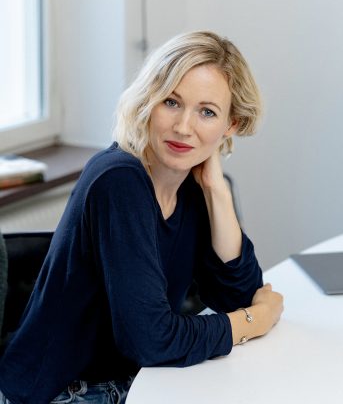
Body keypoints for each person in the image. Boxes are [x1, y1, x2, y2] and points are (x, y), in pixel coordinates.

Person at [0, 30, 283, 404]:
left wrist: (217, 188)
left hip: (133, 381)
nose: (184, 127)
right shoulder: (119, 179)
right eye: (171, 102)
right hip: (59, 391)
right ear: (149, 100)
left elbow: (241, 294)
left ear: (231, 125)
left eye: (207, 112)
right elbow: (151, 338)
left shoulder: (192, 184)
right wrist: (253, 322)